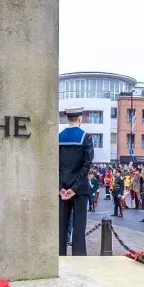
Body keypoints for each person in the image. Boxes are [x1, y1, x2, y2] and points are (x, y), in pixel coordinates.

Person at [58, 108, 94, 256]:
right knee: (79, 228)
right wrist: (76, 188)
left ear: (68, 119)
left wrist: (60, 187)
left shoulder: (59, 137)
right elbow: (87, 165)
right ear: (79, 118)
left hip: (62, 190)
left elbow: (53, 163)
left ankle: (59, 257)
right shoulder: (86, 138)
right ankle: (79, 259)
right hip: (79, 190)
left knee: (61, 226)